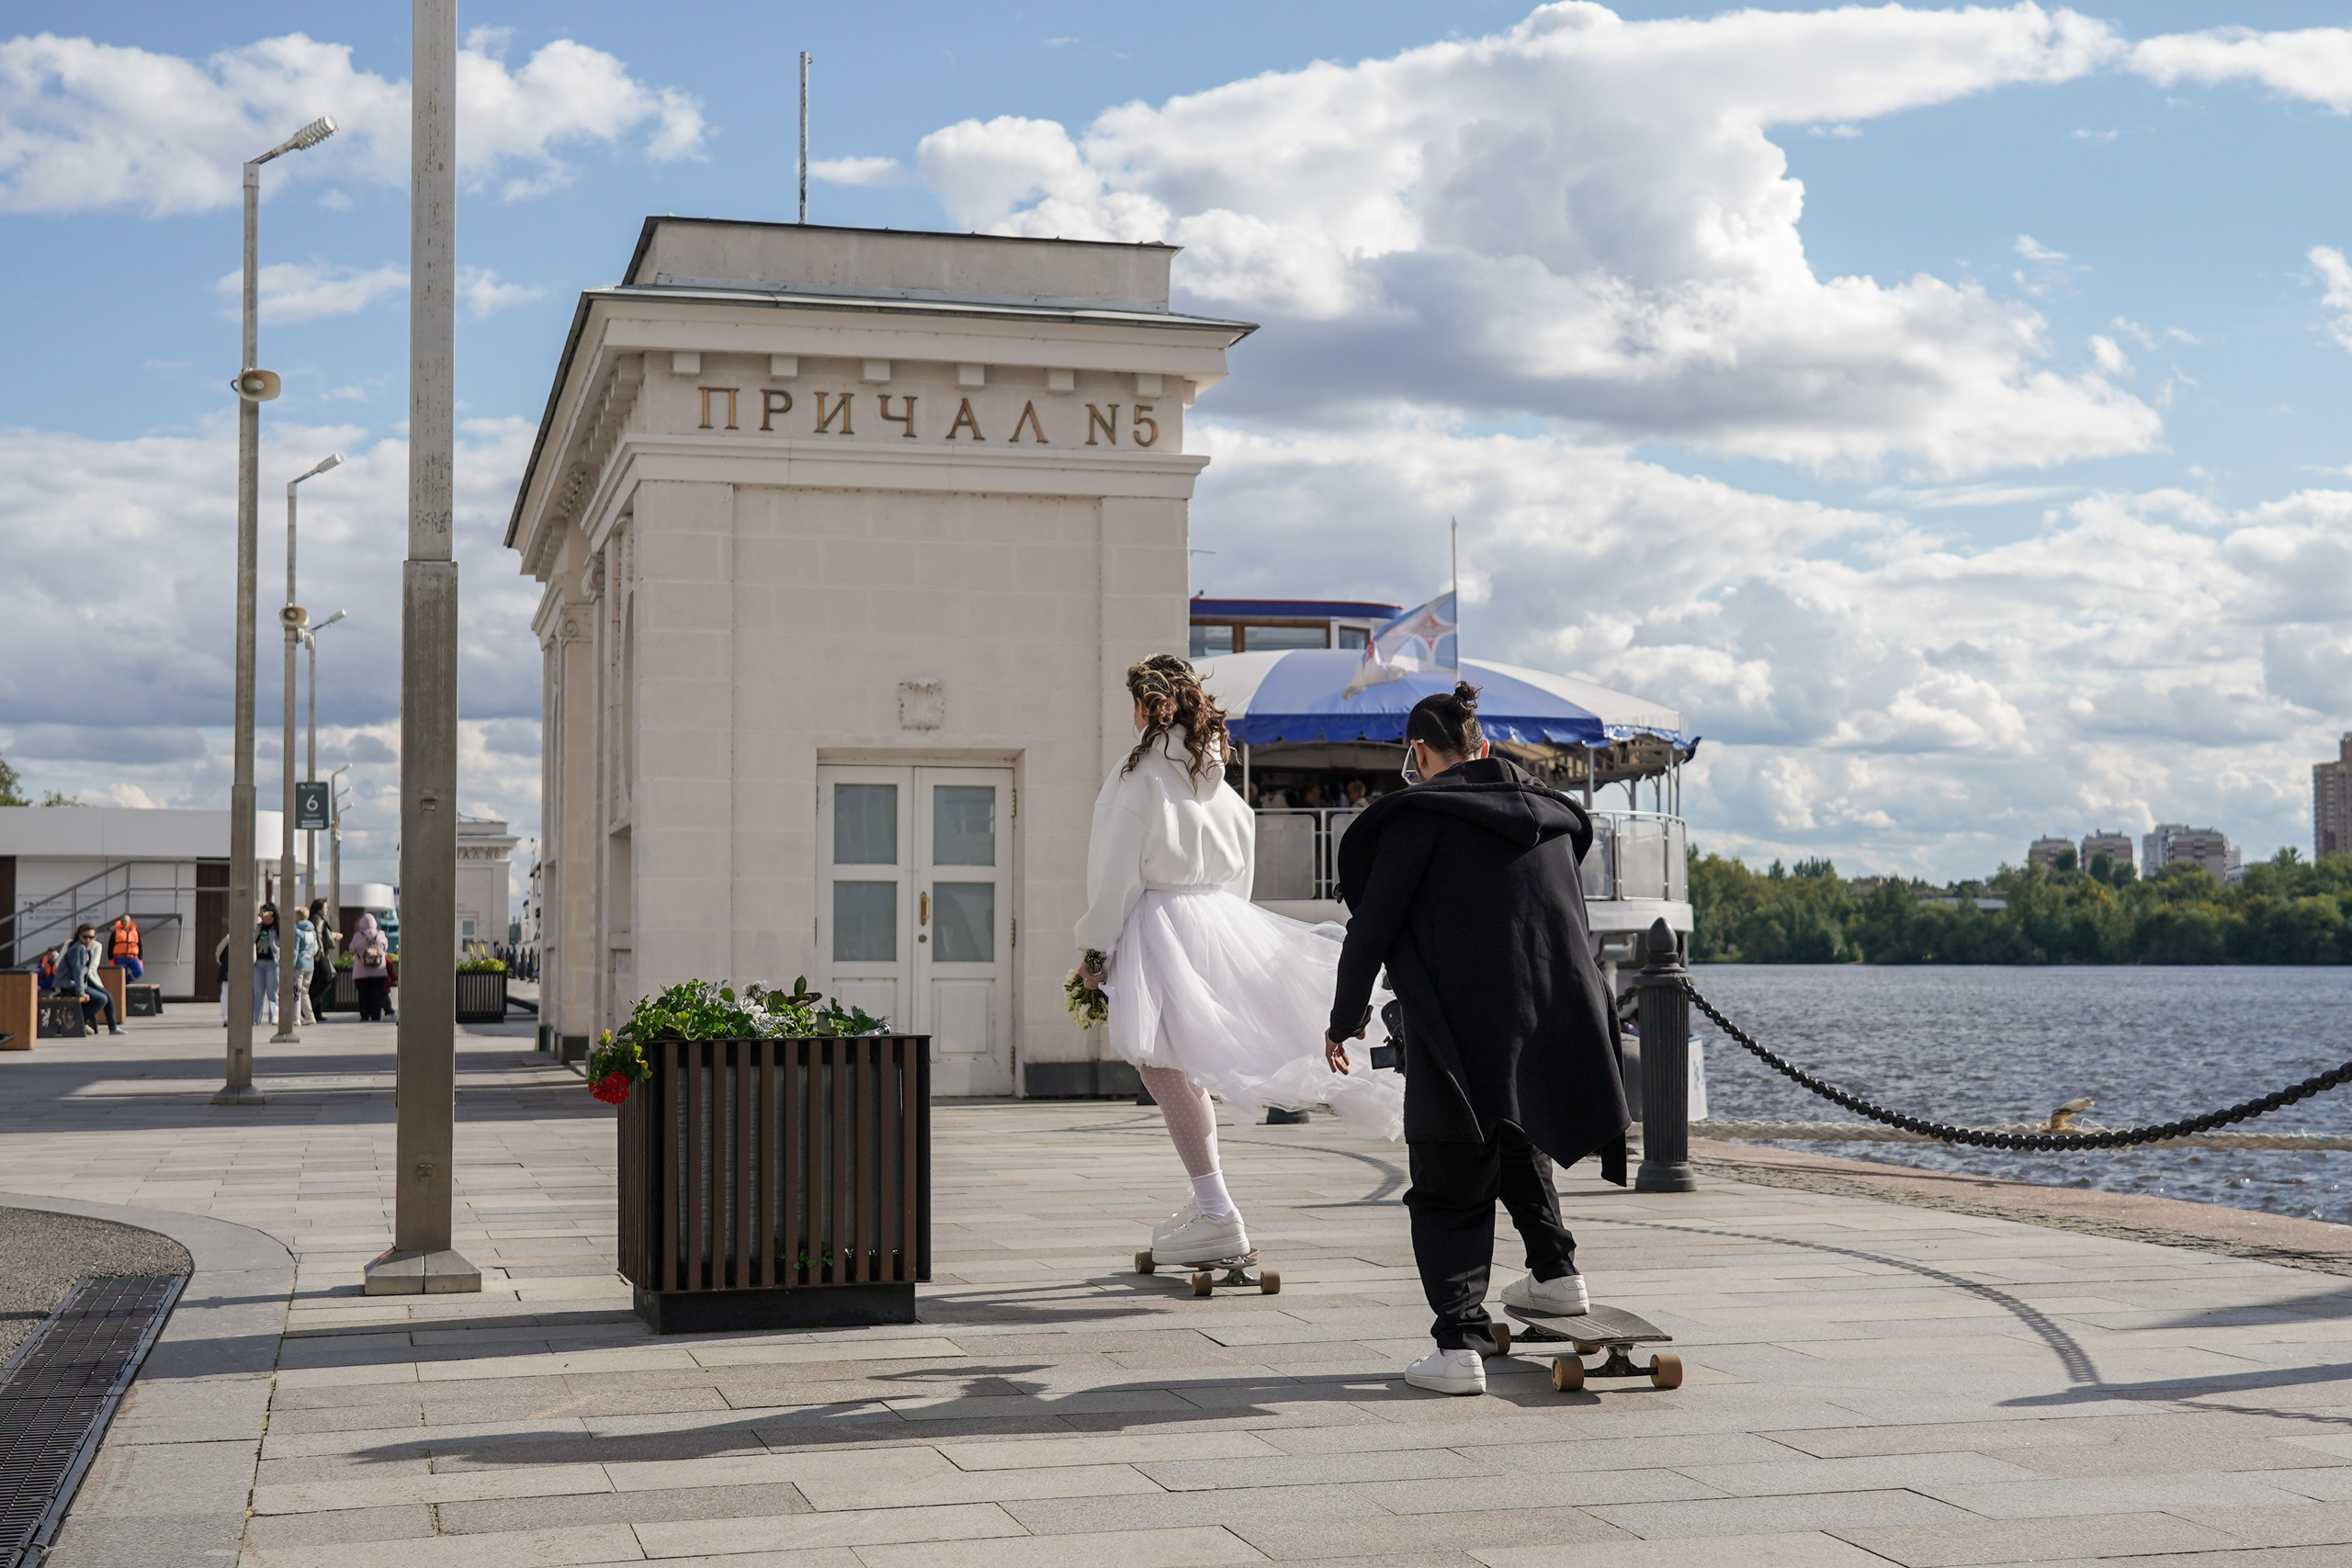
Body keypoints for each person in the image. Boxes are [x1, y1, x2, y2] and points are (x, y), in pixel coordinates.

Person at [1324, 682, 1628, 1397]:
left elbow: (1370, 927)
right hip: (1554, 1012)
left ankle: (1458, 1340)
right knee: (1518, 1136)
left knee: (1447, 1170)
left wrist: (1343, 1019)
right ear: (1483, 747)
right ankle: (1557, 1276)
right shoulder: (1552, 819)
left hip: (1459, 1021)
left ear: (1420, 753)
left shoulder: (1417, 819)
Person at [1075, 655, 1401, 1271]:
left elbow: (1115, 867)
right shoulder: (1216, 774)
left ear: (1146, 707)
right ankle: (1209, 1204)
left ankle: (1218, 1209)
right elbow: (1242, 860)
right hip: (1217, 918)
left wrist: (1097, 946)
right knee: (1186, 1065)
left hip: (1158, 919)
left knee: (1163, 1067)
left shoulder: (1137, 771)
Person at [57, 922, 120, 1035]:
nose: (88, 940)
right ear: (79, 935)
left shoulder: (94, 946)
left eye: (91, 937)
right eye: (85, 937)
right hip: (72, 982)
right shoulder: (77, 947)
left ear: (95, 937)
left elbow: (92, 966)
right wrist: (81, 991)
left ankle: (109, 1026)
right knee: (102, 998)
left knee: (106, 996)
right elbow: (77, 970)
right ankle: (76, 1021)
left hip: (87, 977)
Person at [350, 912, 391, 1022]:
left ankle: (364, 1015)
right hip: (379, 971)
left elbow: (352, 949)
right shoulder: (381, 934)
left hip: (361, 972)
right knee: (377, 994)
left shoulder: (358, 936)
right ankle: (376, 1015)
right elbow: (386, 947)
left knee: (363, 994)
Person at [307, 899, 339, 1023]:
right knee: (326, 979)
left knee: (316, 981)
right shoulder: (318, 920)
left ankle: (315, 1011)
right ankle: (309, 1005)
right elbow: (318, 935)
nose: (326, 910)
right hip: (320, 954)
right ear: (319, 909)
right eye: (325, 907)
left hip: (317, 953)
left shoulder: (316, 919)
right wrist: (319, 952)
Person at [253, 903, 280, 1025]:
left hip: (273, 963)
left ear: (271, 913)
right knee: (257, 993)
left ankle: (274, 1017)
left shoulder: (277, 928)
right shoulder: (259, 927)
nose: (261, 915)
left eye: (263, 913)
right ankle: (255, 1019)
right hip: (258, 963)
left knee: (272, 993)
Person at [291, 905, 320, 1025]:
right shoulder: (312, 932)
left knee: (296, 992)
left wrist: (290, 965)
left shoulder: (297, 931)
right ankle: (309, 1016)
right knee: (304, 991)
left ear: (297, 917)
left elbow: (295, 950)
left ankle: (296, 1018)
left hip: (299, 964)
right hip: (310, 964)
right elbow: (315, 948)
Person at [108, 914, 143, 982]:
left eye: (126, 921)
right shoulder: (115, 932)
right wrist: (111, 959)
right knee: (122, 975)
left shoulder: (135, 932)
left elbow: (139, 945)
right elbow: (111, 946)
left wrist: (140, 958)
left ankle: (127, 981)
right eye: (123, 921)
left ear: (129, 922)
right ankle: (123, 985)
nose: (124, 923)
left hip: (133, 957)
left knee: (139, 972)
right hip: (120, 958)